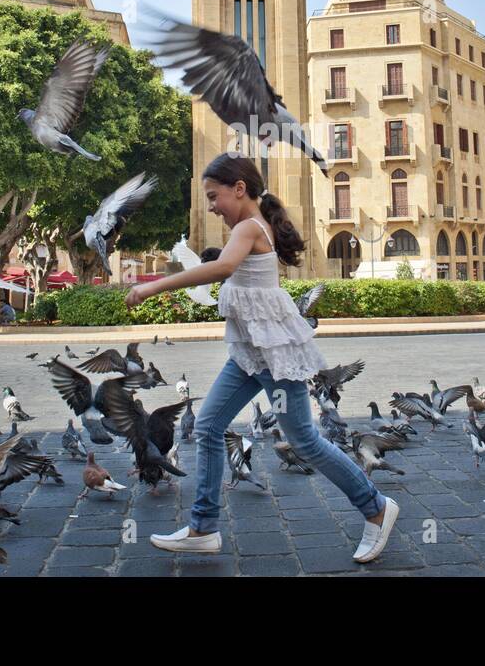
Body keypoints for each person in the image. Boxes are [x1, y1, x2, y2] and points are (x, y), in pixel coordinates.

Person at [125, 153, 398, 563]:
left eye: (214, 196)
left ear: (240, 189)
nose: (212, 205)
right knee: (210, 425)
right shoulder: (252, 226)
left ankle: (375, 507)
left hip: (272, 354)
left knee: (304, 439)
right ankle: (202, 528)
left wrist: (152, 287)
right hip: (252, 354)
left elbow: (222, 268)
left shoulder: (250, 227)